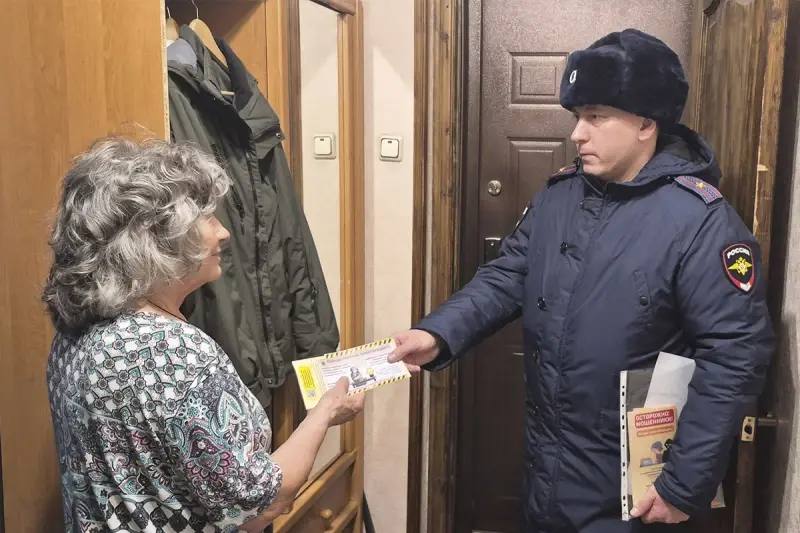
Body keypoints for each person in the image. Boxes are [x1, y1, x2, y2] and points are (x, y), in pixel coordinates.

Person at [390, 29, 774, 532]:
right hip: (549, 470)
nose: (577, 134)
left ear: (645, 123)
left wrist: (684, 484)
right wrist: (438, 333)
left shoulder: (700, 220)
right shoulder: (559, 195)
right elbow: (508, 275)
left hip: (637, 487)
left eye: (596, 117)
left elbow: (734, 355)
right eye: (577, 116)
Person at [43, 138, 364, 532]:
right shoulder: (173, 351)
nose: (224, 232)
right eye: (208, 217)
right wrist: (326, 412)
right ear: (156, 238)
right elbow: (262, 503)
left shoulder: (72, 335)